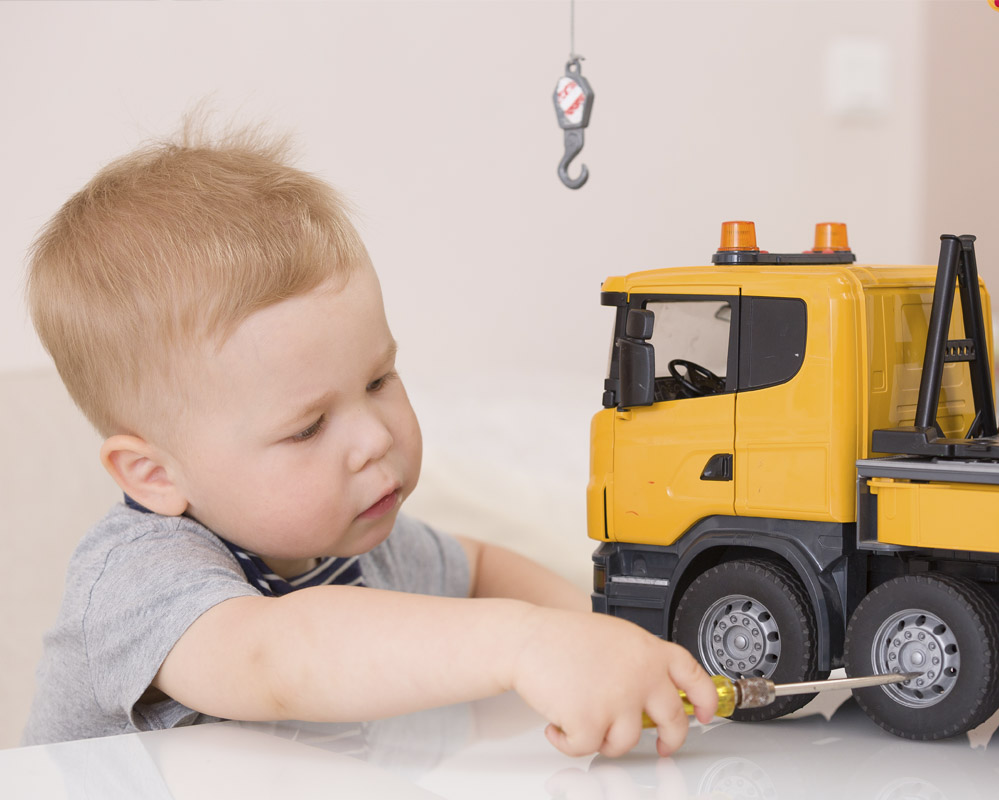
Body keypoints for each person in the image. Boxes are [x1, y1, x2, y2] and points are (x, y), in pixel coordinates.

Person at [21, 124, 716, 754]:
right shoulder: (137, 577)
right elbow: (278, 660)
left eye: (379, 380)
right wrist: (525, 642)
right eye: (308, 427)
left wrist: (603, 639)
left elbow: (476, 569)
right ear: (154, 475)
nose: (375, 438)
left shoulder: (361, 540)